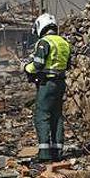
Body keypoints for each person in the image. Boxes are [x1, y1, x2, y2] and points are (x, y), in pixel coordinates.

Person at [24, 13, 71, 162]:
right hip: (60, 83)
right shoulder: (64, 42)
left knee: (42, 115)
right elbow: (68, 64)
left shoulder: (44, 42)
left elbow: (37, 65)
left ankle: (44, 153)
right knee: (57, 116)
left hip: (47, 85)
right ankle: (57, 151)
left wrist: (26, 67)